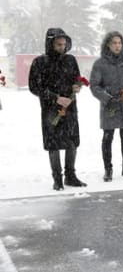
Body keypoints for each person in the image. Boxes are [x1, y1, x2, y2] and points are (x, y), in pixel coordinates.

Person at [29, 28, 87, 190]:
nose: (62, 47)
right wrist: (55, 98)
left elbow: (76, 78)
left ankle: (70, 175)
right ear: (50, 44)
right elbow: (34, 87)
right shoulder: (40, 62)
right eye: (58, 44)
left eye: (64, 44)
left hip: (70, 106)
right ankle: (57, 179)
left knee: (72, 141)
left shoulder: (70, 60)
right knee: (53, 143)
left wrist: (77, 86)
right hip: (50, 109)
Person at [90, 31, 123, 182]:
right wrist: (107, 98)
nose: (117, 45)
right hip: (110, 106)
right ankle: (108, 169)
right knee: (108, 137)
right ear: (108, 45)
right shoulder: (100, 64)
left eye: (119, 43)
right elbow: (94, 86)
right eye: (114, 43)